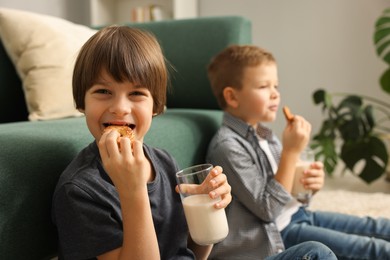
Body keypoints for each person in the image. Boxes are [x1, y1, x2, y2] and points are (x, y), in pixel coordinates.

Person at [51, 25, 234, 260]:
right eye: (103, 91)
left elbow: (188, 253)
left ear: (156, 106)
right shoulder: (80, 190)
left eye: (136, 94)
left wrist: (207, 212)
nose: (120, 108)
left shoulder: (165, 162)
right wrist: (133, 190)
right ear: (81, 102)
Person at [205, 44, 390, 260]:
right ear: (232, 97)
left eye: (276, 85)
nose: (275, 94)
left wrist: (309, 186)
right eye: (264, 86)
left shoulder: (266, 135)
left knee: (378, 226)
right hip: (278, 232)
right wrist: (291, 153)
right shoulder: (228, 147)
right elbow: (269, 210)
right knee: (371, 249)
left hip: (298, 215)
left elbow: (289, 192)